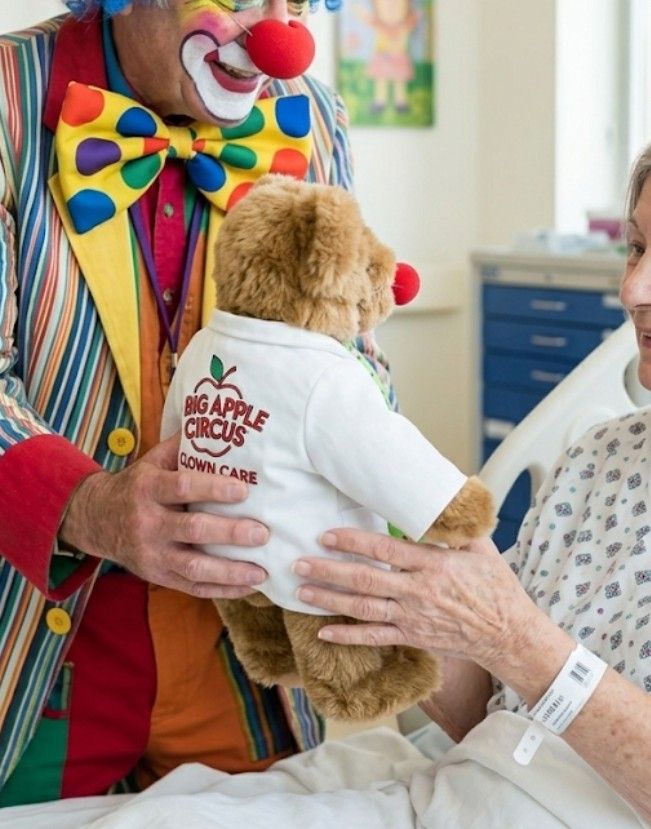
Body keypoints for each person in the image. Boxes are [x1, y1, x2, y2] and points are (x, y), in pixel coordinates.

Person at [0, 0, 394, 806]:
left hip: (244, 659)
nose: (280, 39)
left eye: (296, 1)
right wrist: (88, 505)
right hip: (41, 656)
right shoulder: (7, 95)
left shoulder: (310, 115)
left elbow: (350, 342)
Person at [292, 144, 651, 822]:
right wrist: (397, 591)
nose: (632, 290)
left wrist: (517, 640)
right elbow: (492, 715)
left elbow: (521, 652)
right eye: (635, 248)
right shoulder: (597, 458)